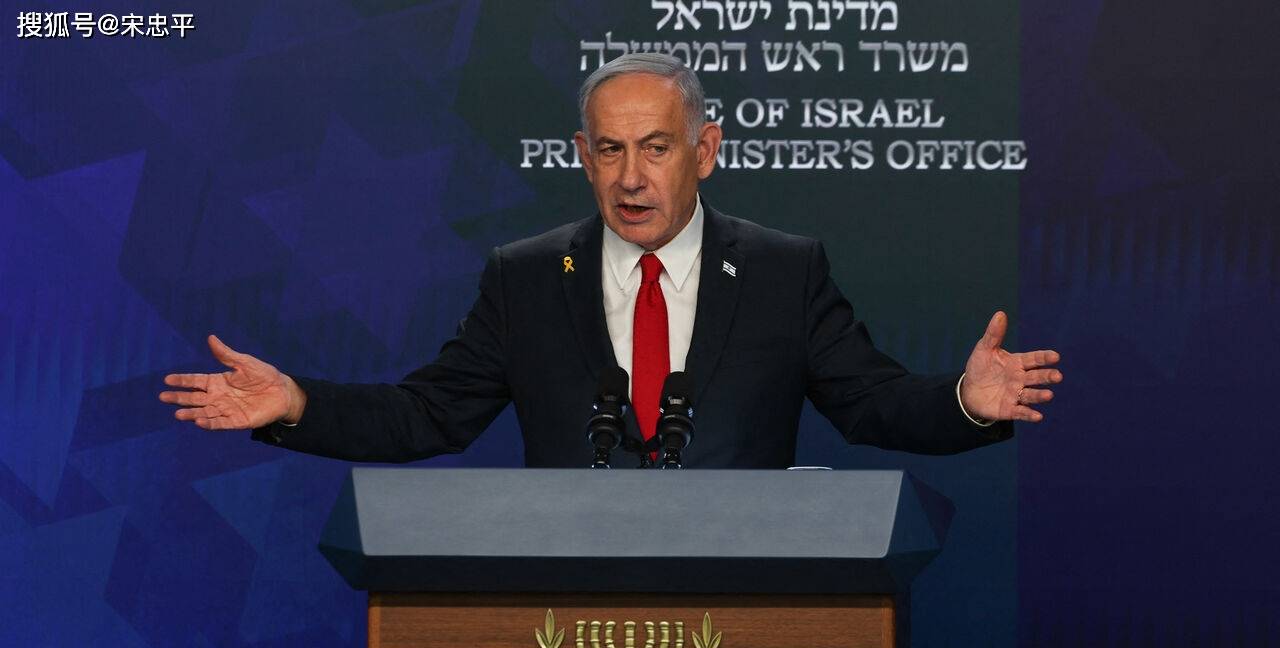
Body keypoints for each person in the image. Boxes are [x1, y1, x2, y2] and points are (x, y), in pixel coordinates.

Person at [159, 54, 1061, 468]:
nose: (632, 178)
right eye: (610, 151)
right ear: (583, 157)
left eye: (656, 149)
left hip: (744, 603)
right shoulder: (524, 278)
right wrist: (299, 404)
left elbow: (870, 402)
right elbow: (428, 416)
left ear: (705, 151)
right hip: (566, 607)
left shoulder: (784, 272)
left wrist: (963, 400)